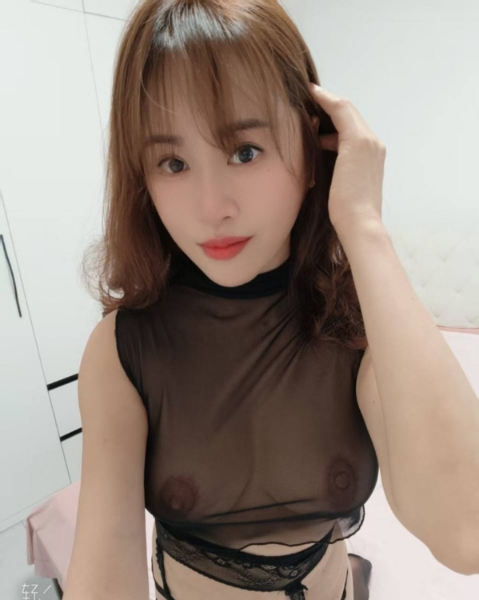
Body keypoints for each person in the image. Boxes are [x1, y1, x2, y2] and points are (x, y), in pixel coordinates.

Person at [66, 1, 377, 599]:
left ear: (312, 150)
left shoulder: (353, 318)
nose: (212, 209)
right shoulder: (124, 349)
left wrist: (364, 227)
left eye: (245, 151)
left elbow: (465, 530)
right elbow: (104, 565)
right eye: (173, 162)